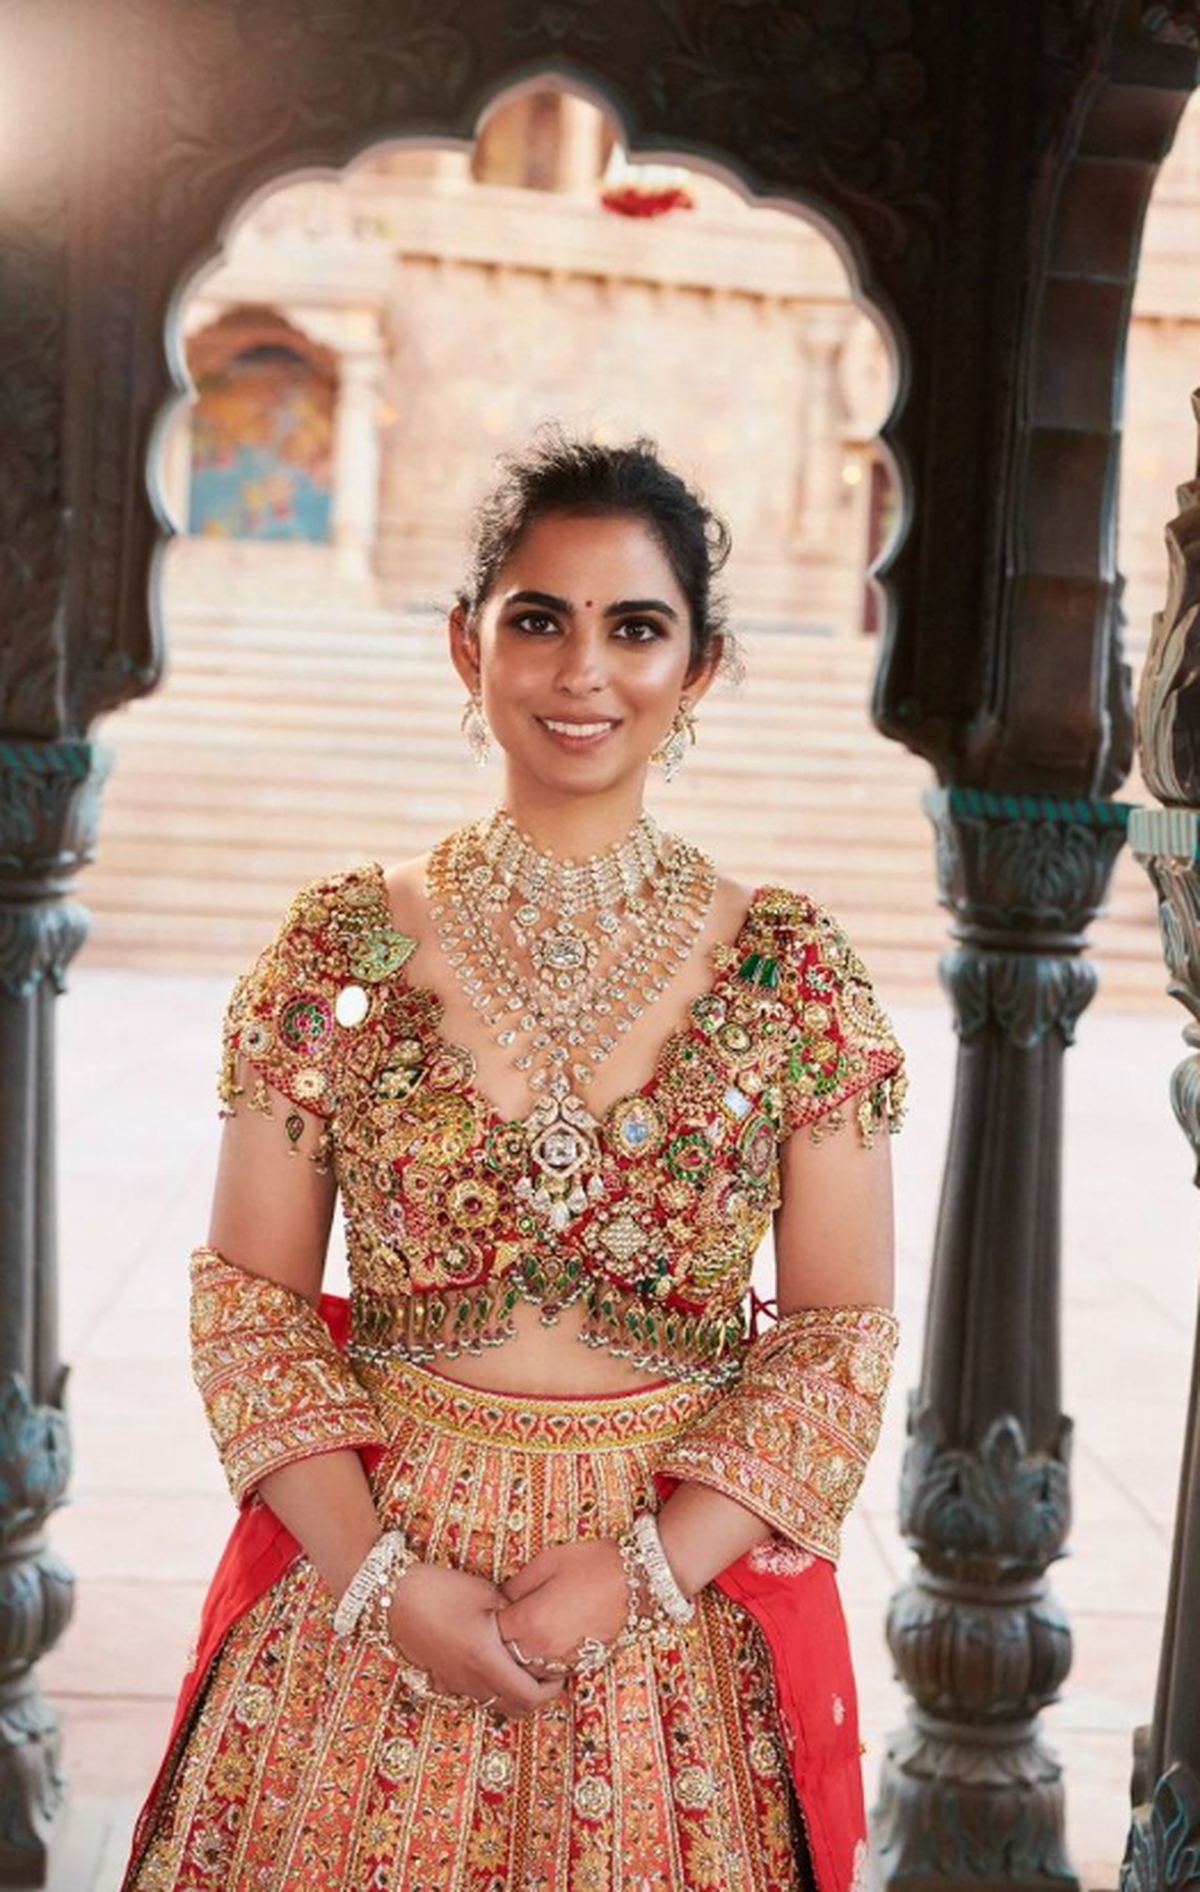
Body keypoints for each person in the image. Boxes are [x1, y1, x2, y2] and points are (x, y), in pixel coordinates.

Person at [121, 424, 907, 1892]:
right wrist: (373, 1579)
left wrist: (652, 1566)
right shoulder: (338, 949)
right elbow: (250, 1307)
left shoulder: (790, 975)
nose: (581, 671)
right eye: (537, 618)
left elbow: (837, 1339)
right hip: (373, 1600)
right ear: (464, 646)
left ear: (702, 669)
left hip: (667, 1620)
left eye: (637, 627)